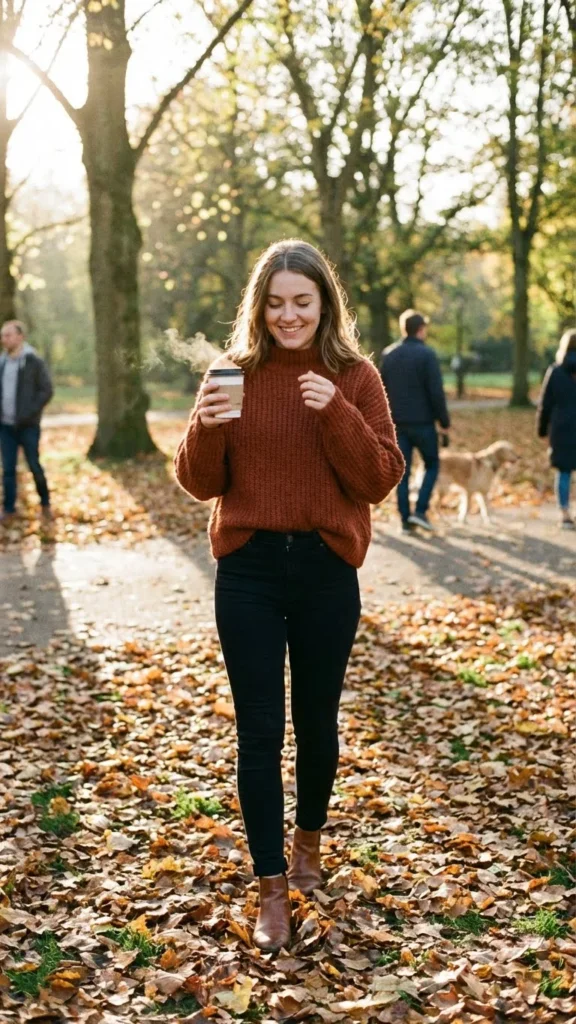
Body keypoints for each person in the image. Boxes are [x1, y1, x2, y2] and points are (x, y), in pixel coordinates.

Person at [174, 239, 404, 951]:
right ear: (259, 307)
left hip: (325, 571)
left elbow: (378, 479)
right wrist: (204, 424)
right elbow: (199, 481)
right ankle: (271, 885)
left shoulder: (355, 376)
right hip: (248, 568)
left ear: (324, 303)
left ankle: (308, 841)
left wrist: (336, 410)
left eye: (301, 301)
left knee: (317, 723)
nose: (288, 315)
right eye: (275, 303)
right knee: (259, 731)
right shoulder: (232, 373)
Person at [380, 309, 450, 532]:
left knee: (403, 471)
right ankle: (420, 511)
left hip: (397, 424)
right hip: (423, 423)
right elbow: (436, 392)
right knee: (432, 464)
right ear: (421, 329)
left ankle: (404, 521)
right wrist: (444, 421)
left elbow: (381, 390)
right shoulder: (427, 355)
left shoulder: (389, 354)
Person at [0, 320, 53, 523]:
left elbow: (46, 390)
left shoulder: (34, 362)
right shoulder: (2, 362)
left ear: (20, 337)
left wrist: (29, 413)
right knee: (8, 469)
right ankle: (9, 508)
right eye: (3, 335)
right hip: (5, 427)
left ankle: (46, 504)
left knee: (34, 464)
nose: (4, 339)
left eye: (8, 335)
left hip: (28, 426)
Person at [537, 328, 576, 529]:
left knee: (564, 471)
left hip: (562, 428)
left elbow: (545, 404)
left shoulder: (555, 371)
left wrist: (542, 430)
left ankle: (565, 512)